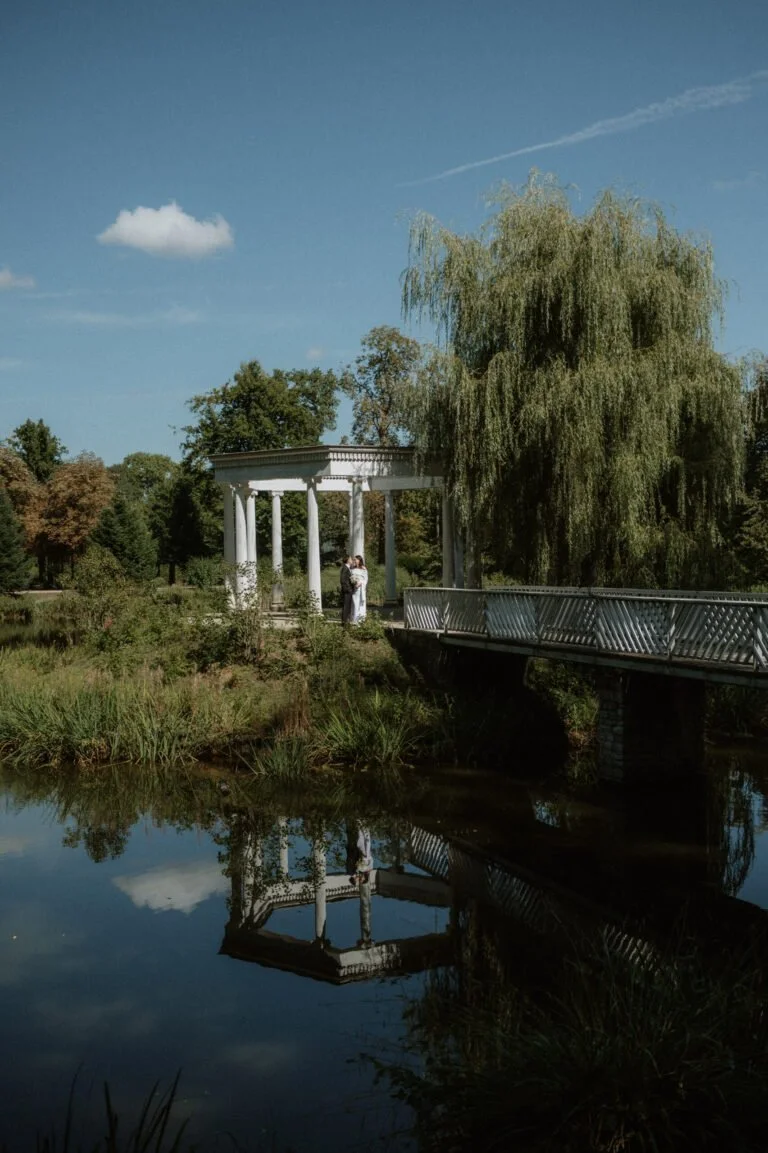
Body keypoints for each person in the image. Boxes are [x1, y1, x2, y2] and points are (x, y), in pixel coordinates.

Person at [350, 554, 368, 624]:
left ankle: (361, 619)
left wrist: (361, 583)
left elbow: (366, 579)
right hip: (354, 588)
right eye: (354, 559)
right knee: (355, 603)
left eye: (356, 559)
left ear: (359, 560)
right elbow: (351, 578)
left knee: (361, 603)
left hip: (361, 588)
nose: (354, 560)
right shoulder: (352, 569)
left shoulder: (363, 569)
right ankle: (354, 619)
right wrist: (353, 582)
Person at [340, 555, 356, 625]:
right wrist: (348, 589)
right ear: (347, 560)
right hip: (347, 591)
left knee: (348, 606)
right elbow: (343, 580)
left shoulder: (348, 568)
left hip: (349, 590)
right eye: (350, 559)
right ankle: (344, 622)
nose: (351, 560)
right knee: (346, 606)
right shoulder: (345, 568)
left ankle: (346, 620)